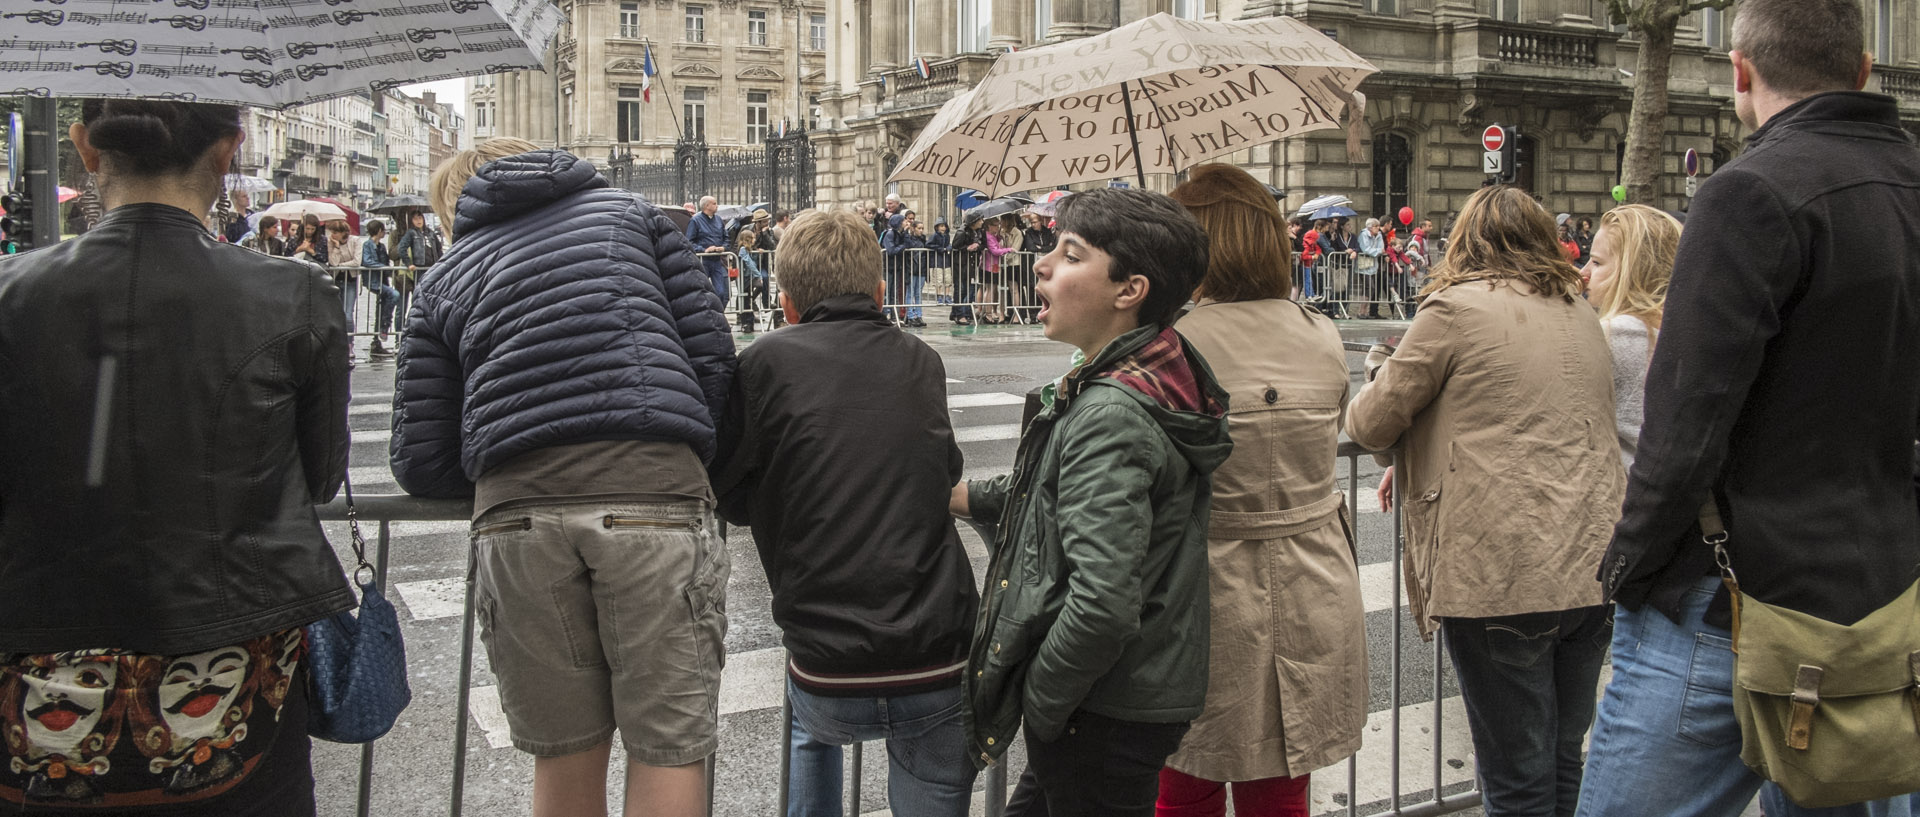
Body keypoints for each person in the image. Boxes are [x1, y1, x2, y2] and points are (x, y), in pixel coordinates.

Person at [1579, 1, 1920, 814]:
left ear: (1741, 71)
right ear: (1864, 69)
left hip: (1730, 600)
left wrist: (1627, 570)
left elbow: (1685, 422)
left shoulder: (1750, 193)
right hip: (1880, 593)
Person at [0, 98, 352, 815]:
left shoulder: (11, 294)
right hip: (233, 661)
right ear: (228, 150)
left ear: (86, 148)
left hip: (41, 655)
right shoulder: (295, 293)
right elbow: (318, 475)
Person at [390, 138, 736, 817]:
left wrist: (513, 459)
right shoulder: (632, 216)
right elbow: (712, 354)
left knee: (565, 753)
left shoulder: (445, 275)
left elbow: (420, 456)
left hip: (518, 513)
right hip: (650, 489)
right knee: (668, 748)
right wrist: (686, 449)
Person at [1346, 185, 1624, 817]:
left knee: (1515, 775)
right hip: (1595, 560)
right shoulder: (1577, 308)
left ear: (1467, 240)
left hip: (1505, 567)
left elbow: (1369, 424)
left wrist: (1375, 371)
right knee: (1560, 756)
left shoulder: (1453, 309)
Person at [951, 188, 1230, 817]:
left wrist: (1045, 696)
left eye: (1070, 254)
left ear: (1129, 290)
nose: (1043, 264)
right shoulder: (1143, 372)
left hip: (1102, 706)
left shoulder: (1110, 411)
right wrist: (962, 495)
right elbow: (1057, 492)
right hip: (1117, 699)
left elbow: (1103, 602)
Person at [713, 209, 980, 817]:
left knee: (809, 720)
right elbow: (944, 469)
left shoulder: (762, 365)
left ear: (785, 304)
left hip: (827, 660)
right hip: (938, 651)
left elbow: (731, 489)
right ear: (883, 293)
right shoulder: (921, 359)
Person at [1158, 164, 1367, 817]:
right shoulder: (1320, 333)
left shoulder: (1172, 345)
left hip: (1206, 594)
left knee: (1184, 782)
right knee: (1281, 783)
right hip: (1313, 582)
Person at [1579, 204, 1681, 469]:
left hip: (1622, 493)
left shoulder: (1614, 334)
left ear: (1634, 269)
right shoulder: (1687, 330)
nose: (1584, 272)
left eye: (1598, 262)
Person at [361, 220, 402, 358]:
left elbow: (386, 261)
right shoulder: (368, 245)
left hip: (382, 280)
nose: (384, 233)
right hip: (374, 281)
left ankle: (377, 340)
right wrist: (383, 267)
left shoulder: (381, 246)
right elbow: (366, 261)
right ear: (379, 231)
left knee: (381, 306)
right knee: (394, 295)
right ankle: (384, 326)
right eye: (383, 230)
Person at [325, 220, 364, 361]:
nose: (332, 235)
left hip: (351, 281)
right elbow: (332, 262)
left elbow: (357, 261)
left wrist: (341, 265)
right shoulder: (331, 243)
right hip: (336, 280)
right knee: (337, 314)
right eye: (331, 232)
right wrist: (336, 248)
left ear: (343, 232)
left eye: (335, 232)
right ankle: (338, 343)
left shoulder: (355, 241)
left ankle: (349, 343)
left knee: (348, 313)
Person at [394, 209, 443, 317]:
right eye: (415, 219)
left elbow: (439, 249)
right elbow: (402, 248)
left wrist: (441, 263)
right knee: (419, 296)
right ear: (412, 221)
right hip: (420, 268)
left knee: (432, 295)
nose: (418, 221)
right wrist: (408, 263)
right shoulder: (411, 233)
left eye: (420, 218)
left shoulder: (430, 233)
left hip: (432, 268)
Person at [687, 196, 731, 309]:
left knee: (722, 292)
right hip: (703, 261)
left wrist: (723, 247)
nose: (717, 206)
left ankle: (719, 314)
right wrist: (704, 250)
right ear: (707, 206)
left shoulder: (719, 220)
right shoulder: (695, 220)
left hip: (717, 261)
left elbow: (726, 238)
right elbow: (689, 242)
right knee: (702, 291)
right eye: (714, 203)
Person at [735, 225, 769, 334]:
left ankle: (749, 321)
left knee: (750, 296)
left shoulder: (749, 249)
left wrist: (759, 253)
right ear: (748, 239)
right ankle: (746, 322)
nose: (755, 240)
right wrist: (758, 275)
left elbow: (753, 260)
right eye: (753, 238)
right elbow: (749, 263)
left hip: (749, 277)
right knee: (745, 300)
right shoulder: (742, 250)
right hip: (744, 278)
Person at [952, 217, 984, 326]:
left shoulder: (979, 232)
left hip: (970, 264)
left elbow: (983, 244)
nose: (982, 222)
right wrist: (967, 248)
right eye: (980, 220)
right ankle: (959, 314)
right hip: (961, 264)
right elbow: (955, 247)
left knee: (965, 289)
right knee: (960, 289)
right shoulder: (962, 232)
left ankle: (958, 312)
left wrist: (978, 246)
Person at [1357, 218, 1387, 318]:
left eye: (1378, 226)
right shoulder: (1364, 234)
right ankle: (1361, 311)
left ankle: (1365, 311)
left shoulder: (1378, 235)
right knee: (1369, 287)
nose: (1378, 228)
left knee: (1370, 289)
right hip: (1364, 266)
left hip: (1374, 266)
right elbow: (1366, 249)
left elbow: (1382, 248)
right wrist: (1378, 251)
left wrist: (1377, 251)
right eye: (1376, 226)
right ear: (1370, 227)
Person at [926, 217, 955, 316]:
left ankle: (947, 296)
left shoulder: (946, 236)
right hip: (937, 260)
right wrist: (940, 249)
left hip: (945, 260)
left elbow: (949, 244)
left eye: (944, 226)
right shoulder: (934, 236)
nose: (943, 228)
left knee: (947, 278)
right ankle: (939, 295)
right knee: (938, 279)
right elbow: (929, 245)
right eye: (941, 226)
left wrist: (949, 247)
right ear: (937, 227)